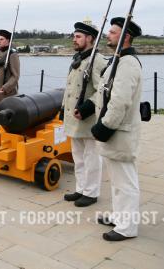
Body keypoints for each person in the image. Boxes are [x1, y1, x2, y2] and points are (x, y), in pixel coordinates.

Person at [91, 17, 143, 241]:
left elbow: (120, 101)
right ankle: (119, 216)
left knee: (125, 182)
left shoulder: (128, 63)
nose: (108, 35)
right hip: (114, 132)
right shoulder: (119, 60)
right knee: (116, 180)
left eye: (113, 32)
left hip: (119, 132)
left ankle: (127, 227)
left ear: (125, 37)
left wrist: (105, 126)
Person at [61, 22, 107, 207]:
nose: (74, 39)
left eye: (78, 36)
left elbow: (103, 90)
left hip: (88, 119)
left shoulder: (98, 61)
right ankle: (80, 189)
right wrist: (63, 109)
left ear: (90, 39)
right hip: (74, 118)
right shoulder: (78, 58)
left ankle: (91, 192)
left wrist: (87, 108)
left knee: (92, 158)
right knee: (78, 158)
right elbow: (70, 88)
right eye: (74, 36)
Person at [0, 29, 20, 129]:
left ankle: (7, 131)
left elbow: (16, 75)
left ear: (8, 40)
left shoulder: (12, 54)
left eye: (1, 39)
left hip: (7, 92)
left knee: (6, 113)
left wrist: (6, 87)